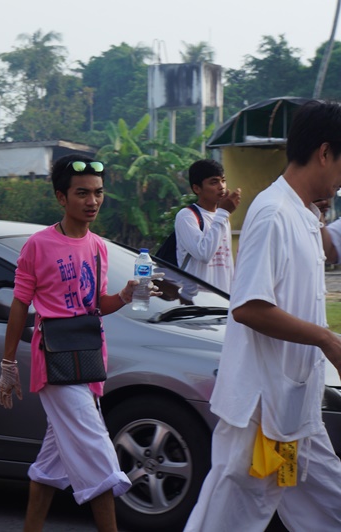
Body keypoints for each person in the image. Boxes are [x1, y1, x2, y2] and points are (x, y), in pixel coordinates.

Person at [185, 100, 341, 531]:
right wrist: (327, 341)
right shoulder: (274, 213)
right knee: (224, 520)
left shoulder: (305, 215)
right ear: (325, 153)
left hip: (294, 409)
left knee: (330, 509)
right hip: (260, 412)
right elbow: (249, 307)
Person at [0, 156, 141, 532]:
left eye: (98, 193)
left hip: (90, 359)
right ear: (62, 197)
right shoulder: (38, 245)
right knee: (99, 456)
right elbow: (19, 306)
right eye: (82, 194)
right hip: (56, 362)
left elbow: (95, 305)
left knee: (51, 463)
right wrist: (8, 365)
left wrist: (125, 295)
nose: (92, 201)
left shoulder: (98, 247)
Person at [174, 159, 240, 296]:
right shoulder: (187, 216)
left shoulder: (222, 218)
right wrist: (223, 213)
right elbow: (203, 254)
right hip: (196, 300)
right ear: (197, 188)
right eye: (214, 182)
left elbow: (227, 263)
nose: (221, 187)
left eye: (223, 180)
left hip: (222, 300)